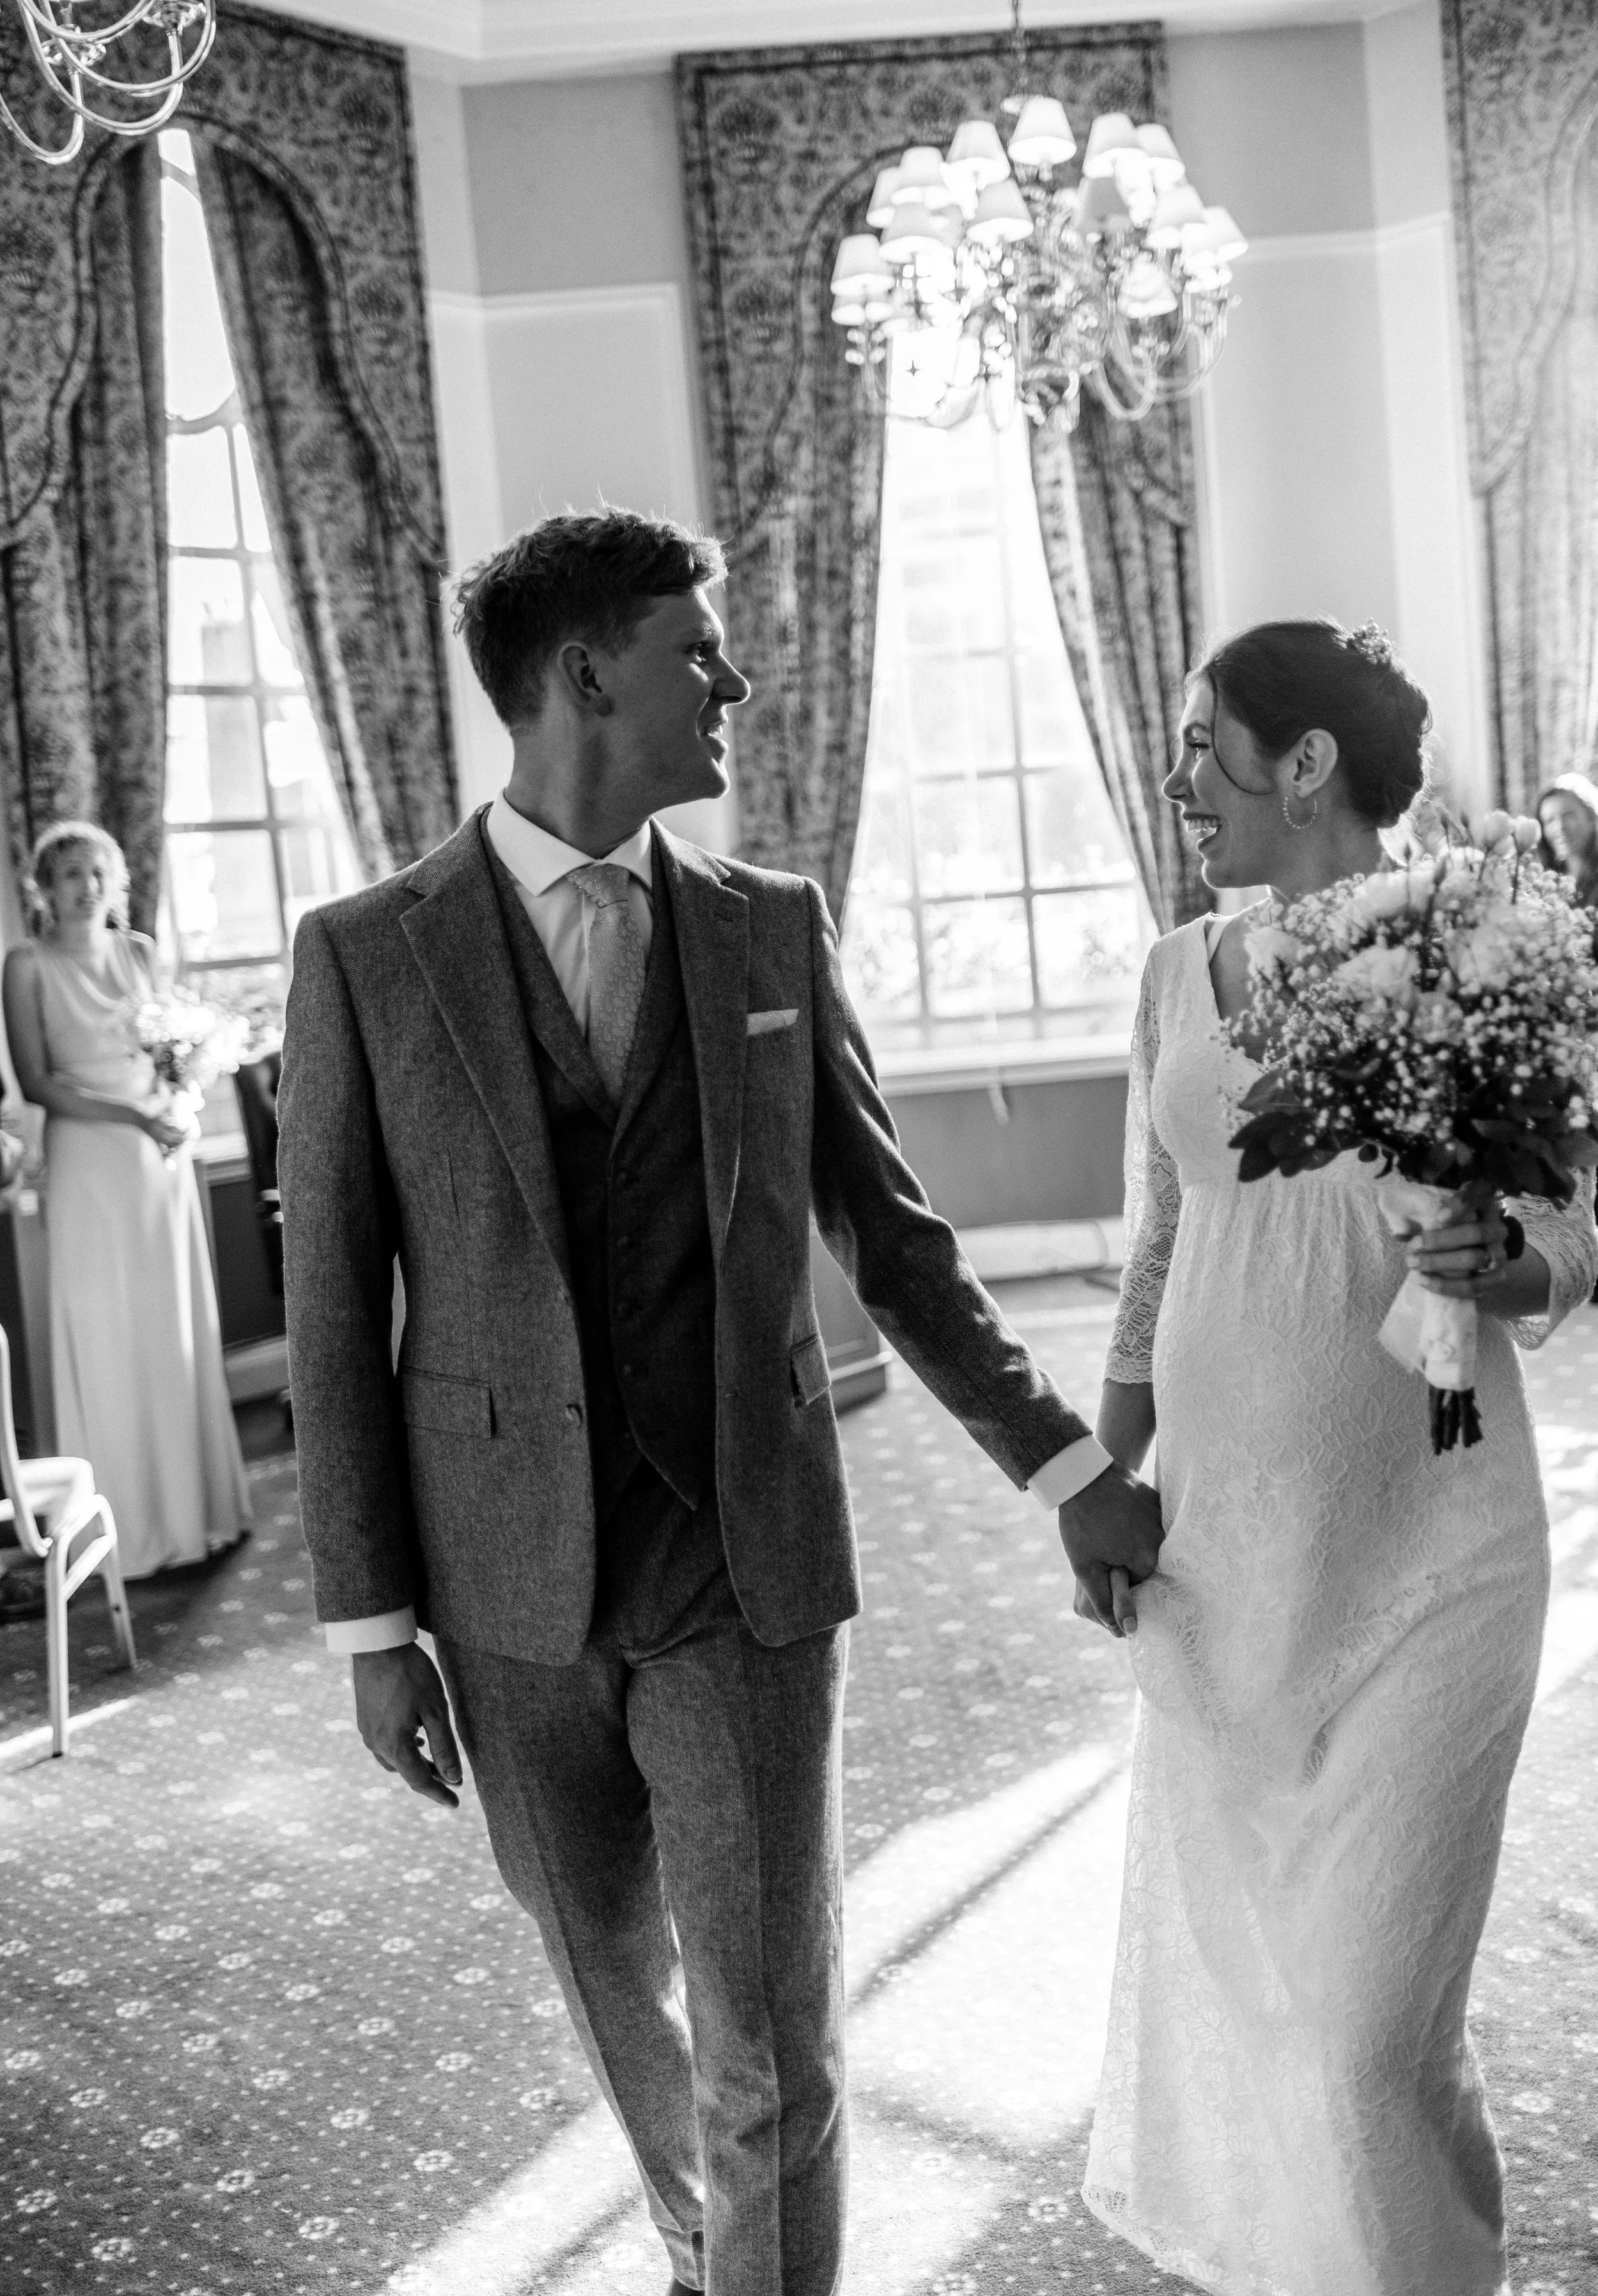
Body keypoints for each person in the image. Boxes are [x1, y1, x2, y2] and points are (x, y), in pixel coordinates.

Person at [277, 507, 1163, 2296]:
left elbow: (893, 1239)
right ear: (587, 675)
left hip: (741, 1564)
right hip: (500, 1579)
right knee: (616, 1997)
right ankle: (705, 2234)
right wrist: (373, 1625)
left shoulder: (768, 931)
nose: (735, 681)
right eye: (698, 648)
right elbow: (328, 1303)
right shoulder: (367, 954)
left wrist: (1061, 1463)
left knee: (776, 2034)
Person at [1078, 620, 1597, 2293]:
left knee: (1368, 2033)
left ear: (1305, 763)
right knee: (1273, 2002)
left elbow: (1567, 1218)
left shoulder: (1473, 944)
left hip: (1434, 1532)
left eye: (1197, 739)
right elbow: (1155, 1233)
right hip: (1224, 1550)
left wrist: (1499, 1267)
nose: (1173, 780)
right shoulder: (1173, 973)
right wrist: (1106, 1469)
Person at [1, 821, 250, 1578]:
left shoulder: (139, 951)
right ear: (45, 886)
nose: (88, 886)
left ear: (118, 882)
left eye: (99, 872)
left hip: (160, 1163)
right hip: (91, 1165)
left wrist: (176, 1104)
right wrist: (138, 1116)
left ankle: (199, 1510)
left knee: (169, 1325)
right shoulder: (26, 966)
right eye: (71, 873)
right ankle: (131, 1529)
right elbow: (39, 1081)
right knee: (108, 1331)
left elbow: (170, 1051)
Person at [1536, 769, 1598, 917]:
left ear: (1591, 817)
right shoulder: (1546, 879)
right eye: (1550, 821)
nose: (1560, 828)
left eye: (1568, 815)